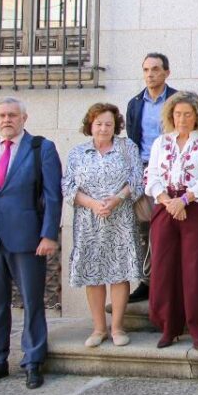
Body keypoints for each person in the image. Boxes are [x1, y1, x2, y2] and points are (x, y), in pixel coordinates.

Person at [0, 97, 62, 390]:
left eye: (12, 115)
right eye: (2, 115)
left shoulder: (40, 148)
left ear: (24, 118)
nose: (7, 120)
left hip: (27, 238)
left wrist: (49, 235)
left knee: (32, 301)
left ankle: (33, 361)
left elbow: (52, 195)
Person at [144, 92, 198, 350]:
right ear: (171, 116)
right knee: (164, 268)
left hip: (195, 209)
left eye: (188, 114)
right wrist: (168, 201)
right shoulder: (160, 142)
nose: (182, 119)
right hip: (165, 208)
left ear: (197, 116)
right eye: (178, 114)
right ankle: (169, 326)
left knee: (196, 269)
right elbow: (151, 175)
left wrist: (185, 200)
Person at [62, 103, 144, 349]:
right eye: (98, 123)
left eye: (109, 123)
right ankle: (98, 328)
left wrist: (117, 199)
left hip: (120, 219)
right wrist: (92, 203)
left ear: (115, 125)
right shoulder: (78, 153)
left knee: (119, 272)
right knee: (93, 273)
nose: (104, 128)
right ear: (90, 125)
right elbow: (68, 187)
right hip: (89, 221)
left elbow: (138, 180)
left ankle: (118, 327)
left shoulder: (127, 147)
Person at [124, 53, 179, 303]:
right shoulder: (135, 103)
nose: (150, 74)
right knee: (144, 228)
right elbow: (133, 139)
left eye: (155, 69)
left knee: (168, 228)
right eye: (146, 69)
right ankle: (147, 281)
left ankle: (169, 281)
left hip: (171, 172)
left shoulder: (178, 100)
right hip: (143, 170)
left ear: (166, 72)